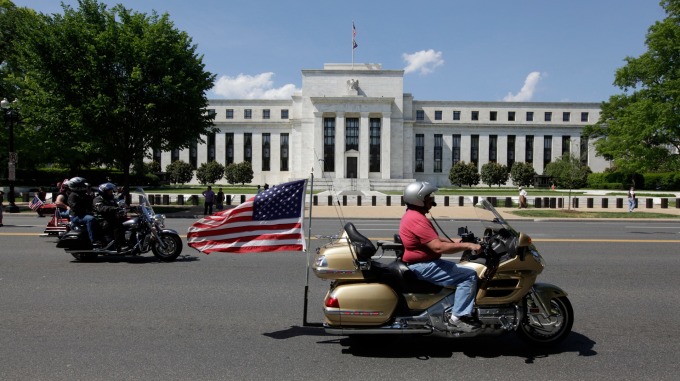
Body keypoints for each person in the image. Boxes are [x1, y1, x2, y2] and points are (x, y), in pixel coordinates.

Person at [398, 181, 482, 332]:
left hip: (423, 263)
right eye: (428, 196)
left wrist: (458, 242)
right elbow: (437, 246)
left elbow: (431, 239)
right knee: (469, 276)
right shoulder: (417, 218)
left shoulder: (413, 215)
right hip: (423, 266)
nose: (432, 198)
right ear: (419, 198)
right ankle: (458, 318)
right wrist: (469, 246)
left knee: (462, 271)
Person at [66, 177, 99, 246]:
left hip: (84, 214)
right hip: (76, 216)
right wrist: (88, 211)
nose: (84, 186)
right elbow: (75, 208)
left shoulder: (84, 194)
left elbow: (92, 204)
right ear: (76, 186)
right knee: (90, 219)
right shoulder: (73, 196)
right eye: (82, 185)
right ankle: (94, 240)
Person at [93, 183, 126, 252]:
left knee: (128, 222)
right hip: (102, 220)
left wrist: (126, 207)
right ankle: (119, 245)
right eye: (109, 191)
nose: (111, 192)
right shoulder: (97, 199)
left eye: (111, 191)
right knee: (117, 226)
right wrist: (114, 208)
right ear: (103, 192)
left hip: (110, 218)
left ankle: (129, 242)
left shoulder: (111, 199)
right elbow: (101, 208)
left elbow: (118, 205)